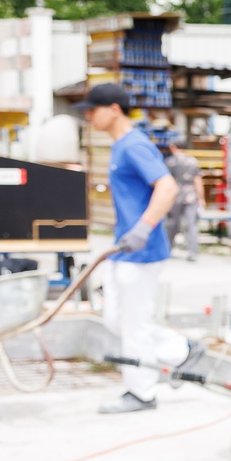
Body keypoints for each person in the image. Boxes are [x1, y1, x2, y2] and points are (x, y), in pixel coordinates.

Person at [75, 84, 201, 413]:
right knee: (116, 320)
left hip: (142, 251)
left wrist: (143, 228)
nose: (88, 116)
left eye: (93, 109)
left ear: (114, 109)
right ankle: (180, 350)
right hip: (124, 249)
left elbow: (167, 186)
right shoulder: (120, 146)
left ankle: (141, 393)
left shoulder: (134, 145)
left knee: (134, 324)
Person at [162, 132, 203, 262]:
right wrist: (201, 198)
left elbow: (166, 182)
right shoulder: (192, 161)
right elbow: (198, 181)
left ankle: (167, 249)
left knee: (172, 223)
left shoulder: (170, 162)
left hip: (175, 196)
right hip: (191, 196)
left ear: (173, 146)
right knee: (192, 225)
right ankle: (192, 252)